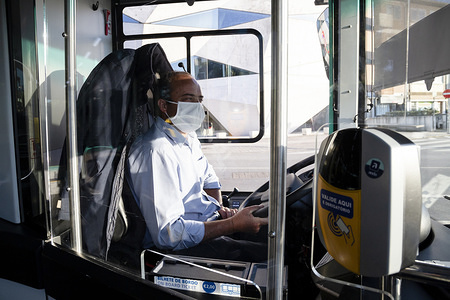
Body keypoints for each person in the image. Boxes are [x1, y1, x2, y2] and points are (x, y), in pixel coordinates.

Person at [126, 71, 268, 262]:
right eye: (188, 99)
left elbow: (209, 179)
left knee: (273, 232)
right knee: (271, 255)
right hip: (181, 248)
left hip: (208, 225)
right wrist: (233, 225)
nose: (197, 107)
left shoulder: (187, 136)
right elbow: (168, 235)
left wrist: (219, 210)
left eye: (199, 100)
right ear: (163, 105)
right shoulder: (156, 151)